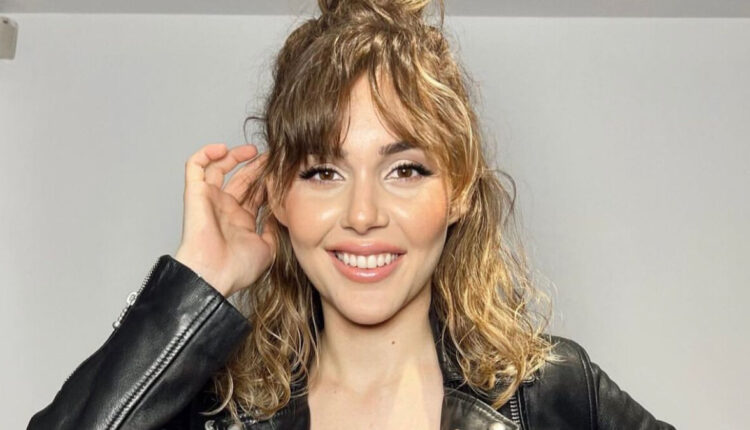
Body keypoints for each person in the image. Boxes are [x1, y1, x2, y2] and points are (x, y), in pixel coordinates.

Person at [28, 0, 676, 429]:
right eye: (323, 172)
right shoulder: (215, 413)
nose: (362, 215)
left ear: (459, 190)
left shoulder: (554, 396)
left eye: (405, 170)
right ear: (279, 195)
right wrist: (197, 281)